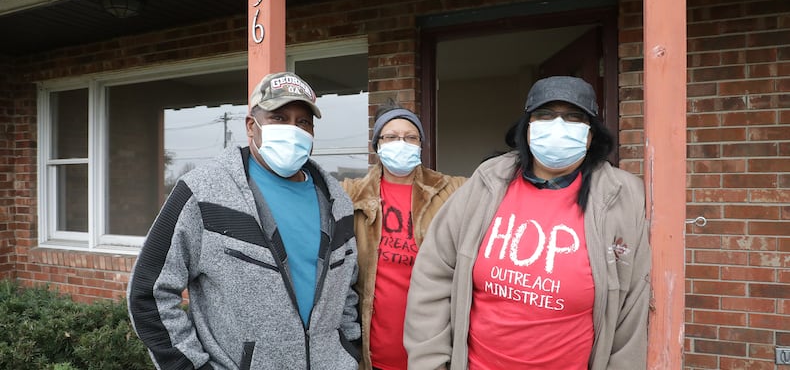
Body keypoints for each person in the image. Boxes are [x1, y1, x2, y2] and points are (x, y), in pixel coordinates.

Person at [404, 76, 652, 370]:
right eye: (545, 115)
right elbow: (433, 275)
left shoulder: (622, 197)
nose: (558, 126)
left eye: (573, 118)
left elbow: (632, 313)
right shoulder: (486, 183)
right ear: (528, 128)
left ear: (590, 136)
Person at [127, 72, 361, 370]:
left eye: (303, 122)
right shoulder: (203, 191)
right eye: (279, 117)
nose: (293, 129)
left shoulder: (337, 201)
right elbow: (148, 292)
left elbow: (347, 291)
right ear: (252, 125)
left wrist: (348, 351)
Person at [341, 102, 465, 370]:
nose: (402, 143)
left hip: (433, 351)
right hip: (374, 352)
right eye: (391, 137)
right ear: (377, 146)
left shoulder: (451, 191)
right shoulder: (352, 195)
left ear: (421, 144)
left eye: (411, 137)